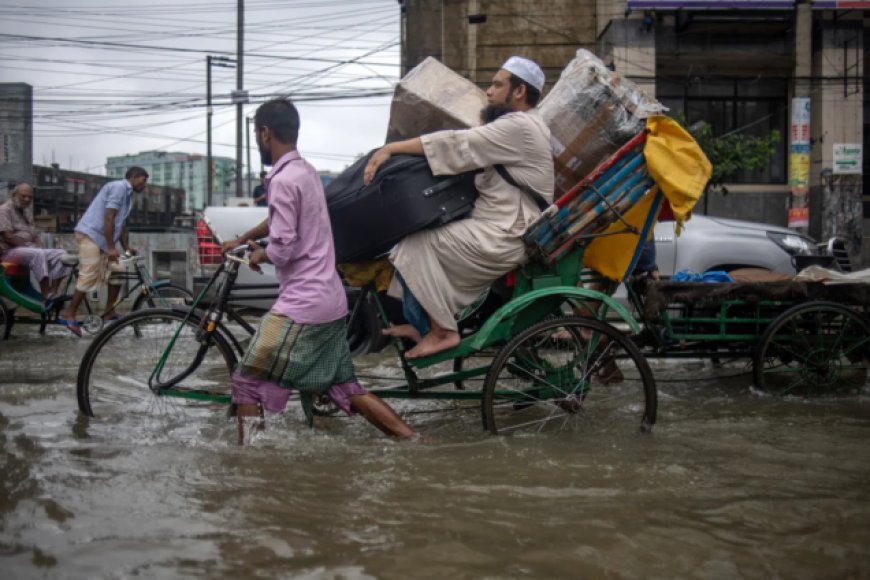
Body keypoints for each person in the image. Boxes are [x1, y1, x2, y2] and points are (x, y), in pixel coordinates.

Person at [222, 98, 415, 443]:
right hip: (330, 300)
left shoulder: (281, 181)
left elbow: (283, 248)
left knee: (247, 381)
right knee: (346, 386)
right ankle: (411, 439)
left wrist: (259, 256)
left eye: (256, 133)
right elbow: (282, 220)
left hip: (304, 305)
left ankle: (248, 464)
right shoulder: (305, 172)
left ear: (265, 133)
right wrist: (246, 237)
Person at [363, 56, 554, 359]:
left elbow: (457, 144)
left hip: (507, 234)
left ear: (519, 92)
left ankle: (442, 331)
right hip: (499, 227)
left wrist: (391, 148)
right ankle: (424, 326)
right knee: (416, 245)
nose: (489, 92)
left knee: (415, 246)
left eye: (497, 84)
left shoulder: (519, 126)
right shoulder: (523, 126)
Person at [57, 167, 148, 336]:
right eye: (143, 180)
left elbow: (119, 223)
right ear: (134, 177)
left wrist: (125, 247)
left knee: (119, 269)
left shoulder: (128, 195)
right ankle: (69, 313)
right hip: (91, 235)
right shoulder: (119, 188)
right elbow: (109, 217)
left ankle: (109, 311)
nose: (145, 185)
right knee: (89, 273)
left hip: (102, 239)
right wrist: (112, 248)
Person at [0, 183, 72, 302]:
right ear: (14, 195)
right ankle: (45, 294)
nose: (27, 199)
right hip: (10, 250)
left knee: (62, 254)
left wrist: (40, 245)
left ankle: (53, 292)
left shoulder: (26, 211)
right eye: (23, 196)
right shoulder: (4, 210)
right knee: (38, 253)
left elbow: (34, 234)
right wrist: (32, 246)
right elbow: (8, 237)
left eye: (29, 197)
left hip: (28, 249)